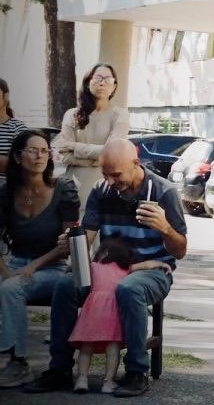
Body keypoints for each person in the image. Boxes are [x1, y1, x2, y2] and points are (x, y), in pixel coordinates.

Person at [24, 138, 187, 397]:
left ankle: (136, 371)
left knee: (129, 289)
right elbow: (87, 235)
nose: (110, 181)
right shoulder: (102, 190)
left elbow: (180, 251)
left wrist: (165, 228)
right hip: (108, 267)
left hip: (152, 270)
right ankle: (60, 368)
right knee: (66, 285)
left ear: (135, 164)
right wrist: (72, 242)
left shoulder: (163, 191)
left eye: (116, 174)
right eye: (105, 174)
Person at [0, 130, 80, 389]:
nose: (40, 156)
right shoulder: (5, 192)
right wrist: (5, 271)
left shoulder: (64, 189)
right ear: (17, 156)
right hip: (14, 263)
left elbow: (69, 244)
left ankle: (18, 363)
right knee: (9, 285)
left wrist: (33, 266)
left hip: (52, 267)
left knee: (11, 289)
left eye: (45, 150)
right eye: (33, 150)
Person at [68, 236, 172, 394]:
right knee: (113, 348)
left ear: (105, 252)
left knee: (86, 347)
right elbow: (147, 264)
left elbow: (78, 267)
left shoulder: (93, 266)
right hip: (112, 314)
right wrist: (161, 263)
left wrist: (69, 267)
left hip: (92, 313)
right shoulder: (126, 269)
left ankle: (82, 379)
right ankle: (108, 382)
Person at [52, 63, 129, 199]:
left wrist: (74, 146)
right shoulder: (72, 114)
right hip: (72, 185)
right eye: (98, 78)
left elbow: (112, 154)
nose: (102, 83)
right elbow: (63, 153)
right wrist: (99, 157)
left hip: (104, 186)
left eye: (108, 79)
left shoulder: (120, 116)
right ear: (88, 82)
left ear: (114, 86)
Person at [0, 78, 29, 173]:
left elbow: (21, 164)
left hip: (6, 186)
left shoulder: (18, 128)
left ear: (6, 96)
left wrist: (8, 163)